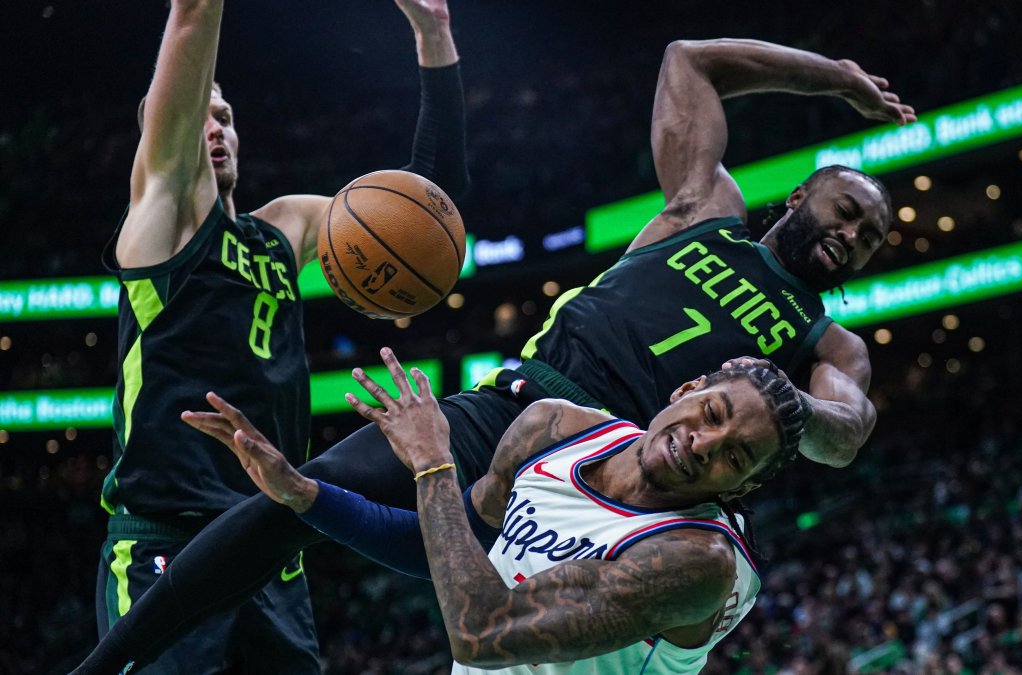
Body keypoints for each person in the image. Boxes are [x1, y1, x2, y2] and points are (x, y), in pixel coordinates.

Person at [73, 37, 915, 672]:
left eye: (869, 235)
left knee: (501, 631)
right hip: (511, 405)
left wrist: (776, 403)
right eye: (845, 210)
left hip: (608, 466)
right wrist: (834, 78)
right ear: (803, 192)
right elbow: (688, 61)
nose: (852, 234)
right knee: (289, 501)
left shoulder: (824, 340)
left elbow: (847, 430)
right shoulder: (706, 205)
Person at [92, 0, 468, 671]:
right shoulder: (159, 224)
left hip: (272, 541)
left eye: (227, 117)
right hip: (167, 539)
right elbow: (192, 16)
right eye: (196, 113)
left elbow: (425, 207)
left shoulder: (284, 228)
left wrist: (433, 34)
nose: (215, 127)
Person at [203, 351, 811, 673]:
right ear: (686, 393)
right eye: (711, 414)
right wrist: (307, 497)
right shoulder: (556, 426)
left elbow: (479, 634)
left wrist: (434, 464)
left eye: (735, 455)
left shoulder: (694, 561)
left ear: (741, 491)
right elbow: (445, 547)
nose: (703, 443)